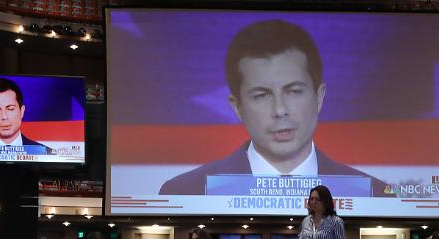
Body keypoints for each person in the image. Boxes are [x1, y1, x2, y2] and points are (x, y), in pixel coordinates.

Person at [158, 20, 386, 196]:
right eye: (262, 95)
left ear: (319, 96)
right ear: (237, 107)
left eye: (294, 91)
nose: (280, 110)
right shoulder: (185, 190)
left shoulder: (375, 193)